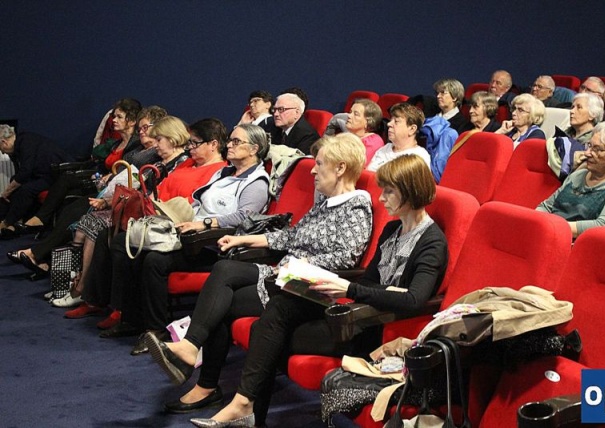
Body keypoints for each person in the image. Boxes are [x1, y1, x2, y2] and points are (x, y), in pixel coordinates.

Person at [186, 154, 448, 427]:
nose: (381, 198)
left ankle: (247, 412)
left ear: (410, 191)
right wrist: (352, 288)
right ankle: (245, 410)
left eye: (389, 191)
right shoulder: (394, 229)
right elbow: (370, 281)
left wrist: (350, 288)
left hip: (371, 327)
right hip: (355, 311)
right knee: (280, 306)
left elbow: (414, 299)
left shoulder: (432, 242)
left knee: (266, 333)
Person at [144, 133, 373, 415]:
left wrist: (298, 265)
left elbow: (346, 258)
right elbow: (292, 236)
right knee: (224, 268)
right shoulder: (326, 201)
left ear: (340, 168)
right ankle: (191, 349)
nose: (313, 170)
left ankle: (204, 382)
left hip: (306, 287)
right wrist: (243, 239)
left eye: (320, 164)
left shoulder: (356, 205)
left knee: (222, 304)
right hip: (284, 274)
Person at [91, 124, 271, 353]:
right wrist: (174, 214)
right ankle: (130, 318)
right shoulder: (224, 173)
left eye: (237, 142)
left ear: (254, 149)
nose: (230, 145)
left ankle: (155, 329)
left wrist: (205, 223)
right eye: (231, 140)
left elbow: (245, 217)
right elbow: (197, 203)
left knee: (155, 260)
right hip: (190, 233)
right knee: (125, 243)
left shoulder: (256, 181)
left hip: (215, 244)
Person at [52, 117, 227, 310]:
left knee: (119, 239)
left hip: (174, 222)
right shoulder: (187, 164)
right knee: (104, 233)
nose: (190, 147)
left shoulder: (218, 171)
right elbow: (157, 188)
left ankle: (117, 307)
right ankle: (96, 299)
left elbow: (190, 204)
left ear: (213, 144)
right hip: (155, 213)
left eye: (195, 143)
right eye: (190, 142)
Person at [7, 106, 167, 277]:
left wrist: (109, 188)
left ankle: (39, 255)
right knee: (70, 208)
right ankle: (44, 259)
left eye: (145, 127)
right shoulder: (137, 147)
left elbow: (139, 179)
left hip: (124, 199)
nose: (141, 131)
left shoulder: (155, 153)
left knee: (76, 212)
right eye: (140, 128)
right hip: (110, 190)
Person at [20, 98, 142, 231]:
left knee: (68, 184)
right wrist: (98, 174)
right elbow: (101, 165)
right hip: (99, 181)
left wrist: (108, 176)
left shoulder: (135, 145)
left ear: (132, 121)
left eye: (119, 117)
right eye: (114, 116)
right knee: (67, 192)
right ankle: (44, 224)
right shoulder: (116, 143)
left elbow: (127, 173)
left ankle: (41, 219)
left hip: (111, 189)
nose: (113, 120)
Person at [537, 119, 605, 238]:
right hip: (548, 234)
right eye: (589, 145)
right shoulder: (578, 175)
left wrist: (552, 226)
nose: (587, 153)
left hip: (578, 243)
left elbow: (604, 226)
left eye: (597, 149)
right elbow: (545, 207)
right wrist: (536, 222)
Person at [0, 125, 71, 238]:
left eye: (1, 149)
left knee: (25, 190)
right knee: (15, 182)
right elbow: (20, 175)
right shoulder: (18, 146)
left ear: (4, 142)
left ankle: (7, 222)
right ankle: (11, 222)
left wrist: (6, 192)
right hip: (43, 174)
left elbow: (25, 172)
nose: (3, 153)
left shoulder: (26, 142)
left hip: (55, 175)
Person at [367, 103, 430, 171]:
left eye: (396, 121)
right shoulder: (384, 149)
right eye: (391, 120)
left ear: (412, 129)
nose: (389, 124)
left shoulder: (419, 156)